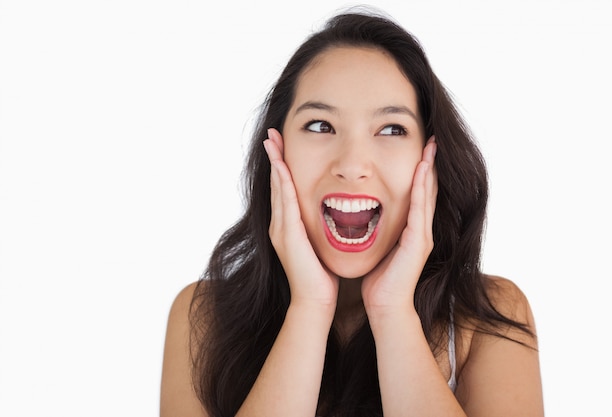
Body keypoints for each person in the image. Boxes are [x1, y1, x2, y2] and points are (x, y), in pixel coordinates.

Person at [160, 9, 544, 417]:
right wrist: (308, 308)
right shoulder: (201, 316)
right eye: (321, 125)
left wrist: (393, 310)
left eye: (392, 129)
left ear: (430, 158)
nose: (353, 163)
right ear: (277, 150)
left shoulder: (490, 318)